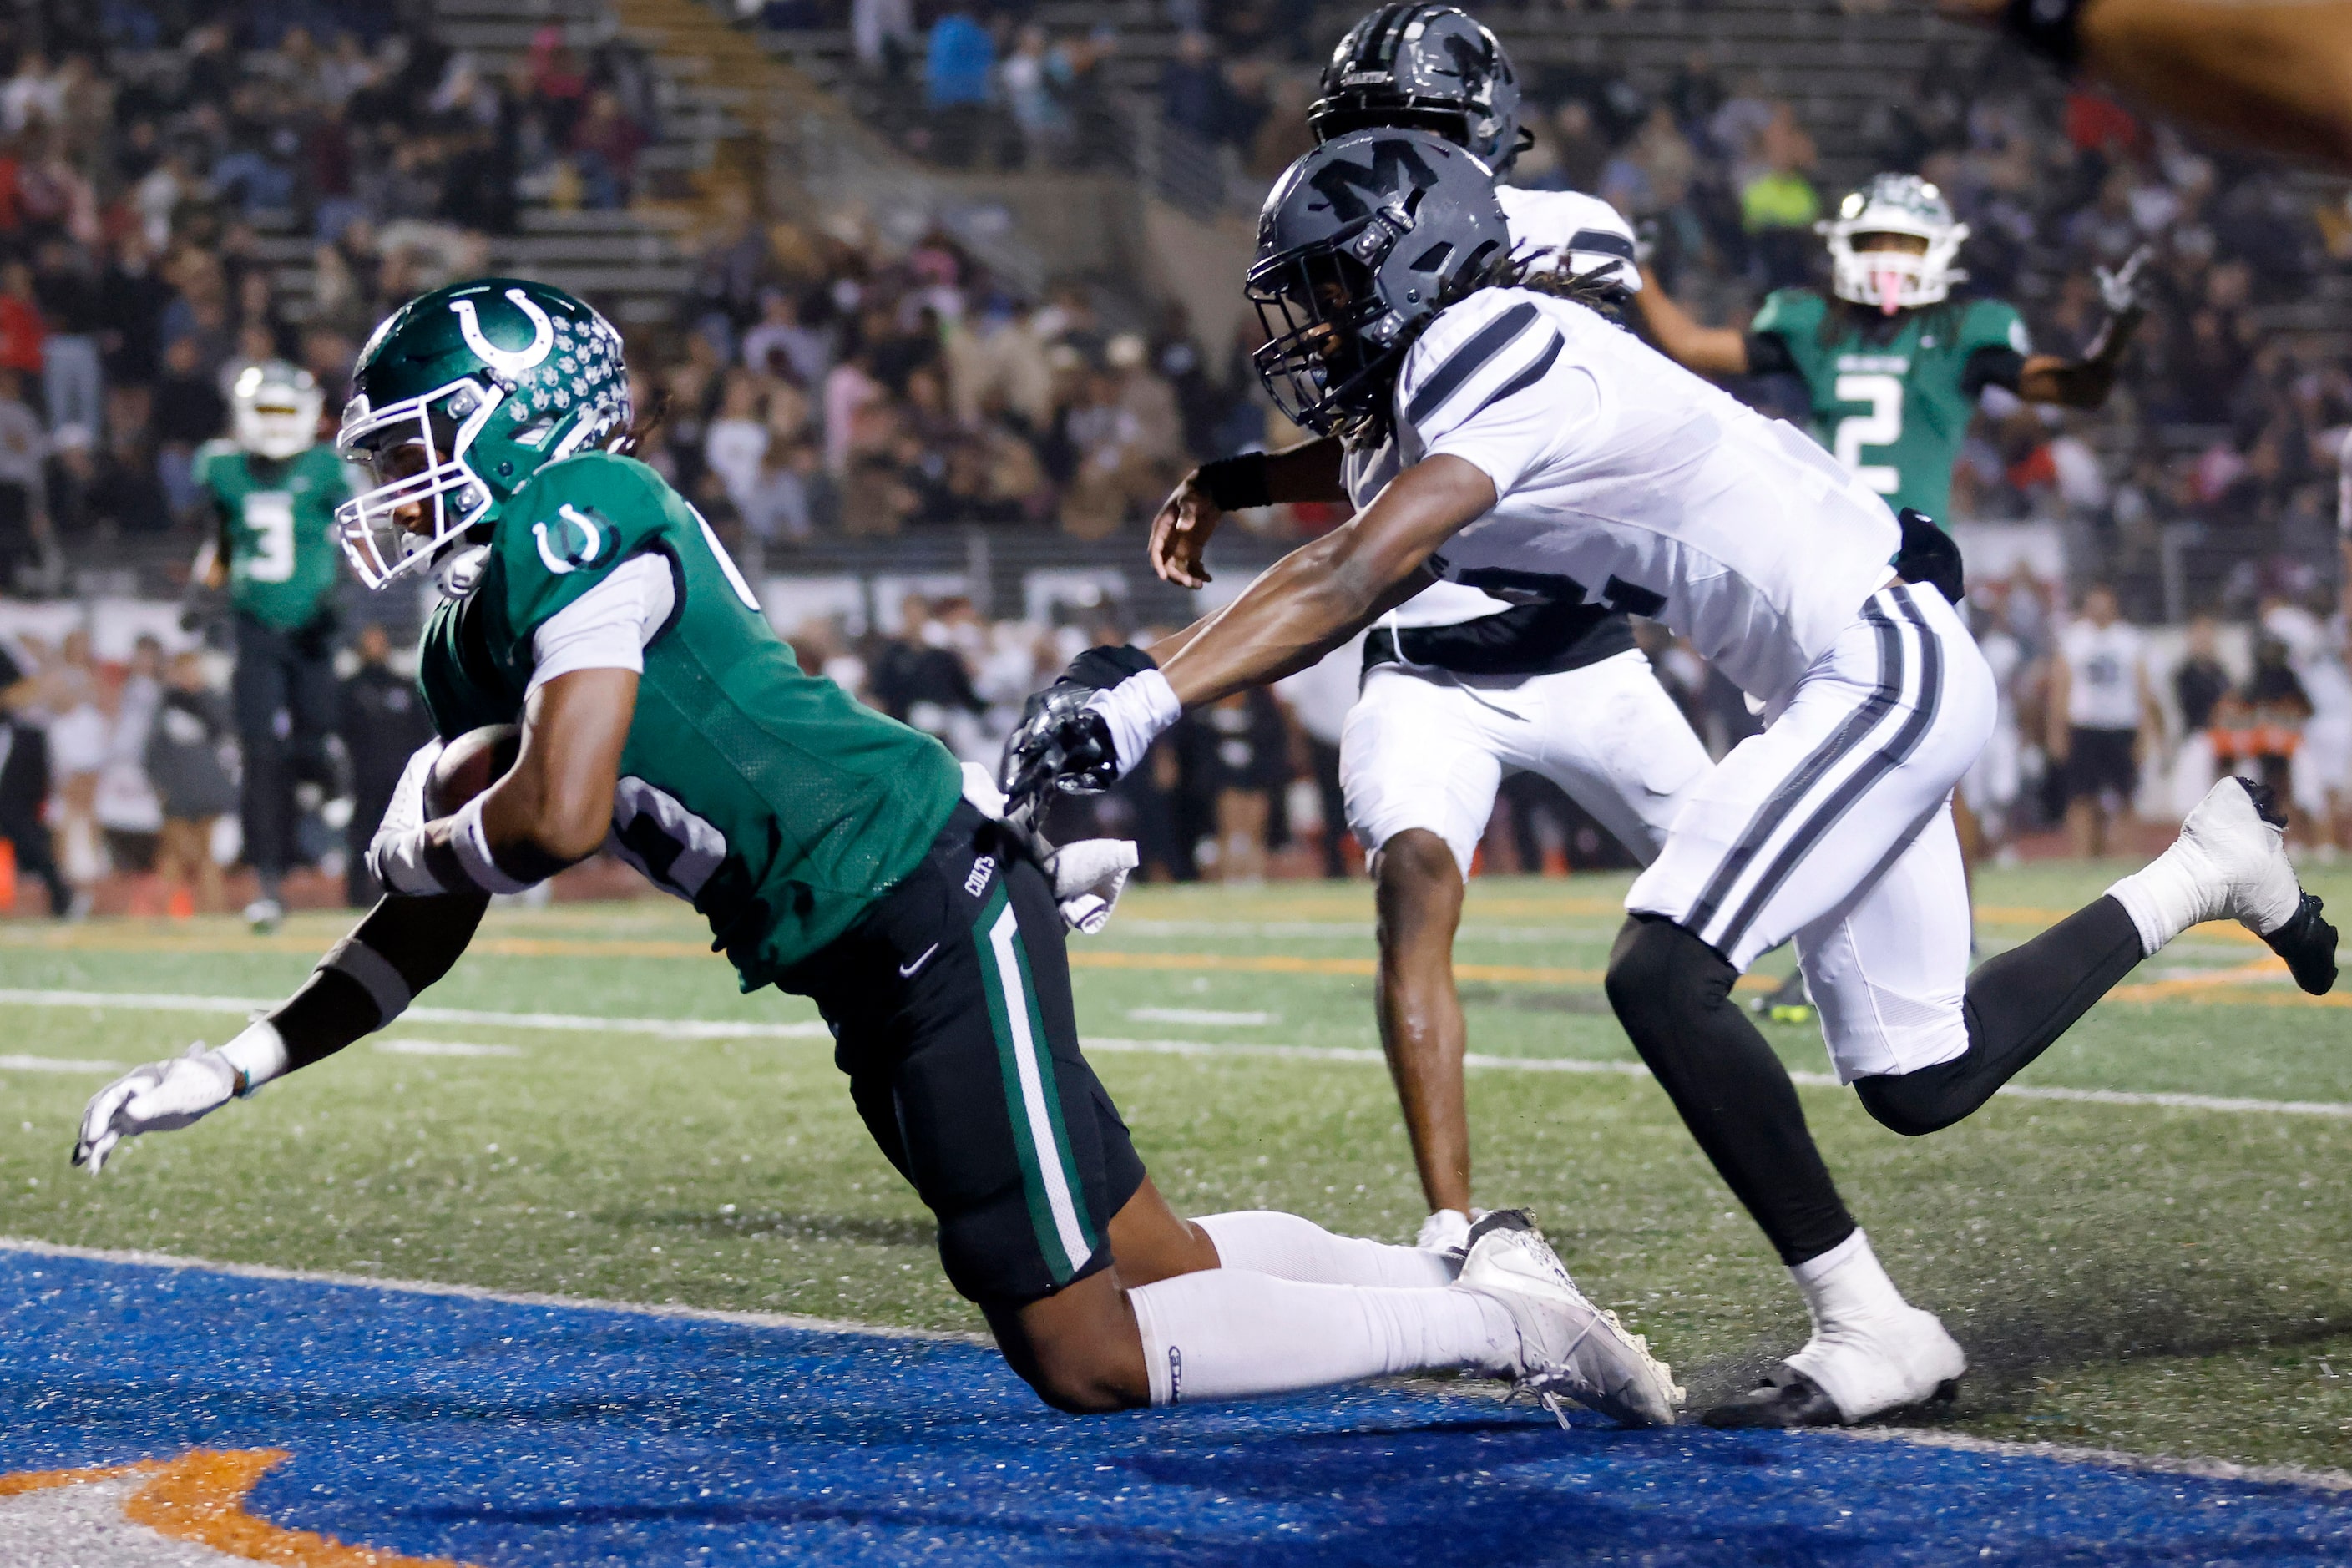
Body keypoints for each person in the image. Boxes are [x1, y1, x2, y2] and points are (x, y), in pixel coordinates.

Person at [72, 277, 1682, 1431]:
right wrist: (246, 1055)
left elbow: (549, 821)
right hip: (872, 939)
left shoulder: (582, 508)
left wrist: (430, 829)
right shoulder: (470, 633)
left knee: (1090, 1354)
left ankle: (1500, 1323)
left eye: (418, 441)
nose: (390, 487)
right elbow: (430, 912)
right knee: (1155, 1257)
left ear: (516, 425)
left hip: (918, 900)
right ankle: (1467, 1277)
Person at [1004, 130, 2338, 1429]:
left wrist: (1149, 688)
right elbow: (1362, 534)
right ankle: (2210, 865)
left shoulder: (1492, 344)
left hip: (1874, 664)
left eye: (1337, 289)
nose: (1313, 327)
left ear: (1419, 268)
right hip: (1843, 663)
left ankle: (1874, 1327)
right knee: (1921, 1077)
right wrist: (1228, 495)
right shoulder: (1455, 389)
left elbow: (1350, 570)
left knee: (1660, 967)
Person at [1151, 4, 1711, 1250]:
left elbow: (1570, 416)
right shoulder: (1347, 240)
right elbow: (1377, 447)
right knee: (1413, 879)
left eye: (1405, 124)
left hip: (1582, 654)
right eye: (1360, 129)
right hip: (1425, 659)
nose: (1380, 156)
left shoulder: (1574, 236)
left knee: (1754, 884)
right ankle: (1452, 1225)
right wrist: (1236, 480)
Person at [1633, 171, 2151, 1019]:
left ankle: (1944, 937)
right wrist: (1641, 275)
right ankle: (1847, 953)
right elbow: (1696, 348)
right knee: (1828, 769)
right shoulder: (1812, 323)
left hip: (1912, 574)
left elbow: (2074, 388)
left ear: (1938, 253)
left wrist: (2117, 333)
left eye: (1902, 244)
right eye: (1874, 241)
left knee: (1916, 778)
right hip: (1820, 563)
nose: (1886, 259)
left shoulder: (1962, 331)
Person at [192, 360, 352, 931]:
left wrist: (346, 604)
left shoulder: (328, 469)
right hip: (253, 624)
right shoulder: (224, 468)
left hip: (314, 623)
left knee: (314, 732)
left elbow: (357, 540)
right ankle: (268, 883)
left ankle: (324, 773)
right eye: (269, 410)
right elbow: (220, 542)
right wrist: (200, 592)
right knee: (259, 753)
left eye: (288, 410)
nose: (278, 422)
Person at [2048, 584, 2158, 859]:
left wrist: (2145, 735)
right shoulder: (2073, 639)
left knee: (2126, 796)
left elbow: (2143, 690)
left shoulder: (2130, 640)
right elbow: (2060, 688)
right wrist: (2056, 731)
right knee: (2082, 797)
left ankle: (2126, 855)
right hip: (2085, 727)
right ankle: (2083, 854)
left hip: (2121, 726)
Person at [341, 621, 435, 906]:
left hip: (402, 781)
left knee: (410, 836)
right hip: (366, 779)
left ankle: (410, 894)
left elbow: (423, 728)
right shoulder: (349, 689)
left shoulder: (403, 686)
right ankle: (358, 897)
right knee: (363, 837)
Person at [146, 650, 235, 915]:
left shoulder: (214, 703)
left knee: (202, 856)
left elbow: (224, 742)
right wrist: (160, 785)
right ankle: (170, 912)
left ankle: (211, 910)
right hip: (177, 793)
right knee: (178, 853)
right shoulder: (165, 706)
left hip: (207, 791)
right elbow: (153, 753)